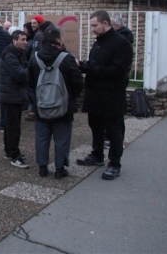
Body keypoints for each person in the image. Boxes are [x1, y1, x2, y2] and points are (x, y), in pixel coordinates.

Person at [77, 10, 133, 181]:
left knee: (113, 131)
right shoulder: (99, 42)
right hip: (94, 93)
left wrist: (90, 69)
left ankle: (114, 164)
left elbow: (118, 70)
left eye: (95, 25)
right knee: (95, 125)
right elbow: (95, 63)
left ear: (106, 24)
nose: (92, 29)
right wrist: (82, 65)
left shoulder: (121, 43)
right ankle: (97, 155)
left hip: (111, 95)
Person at [28, 26, 84, 179]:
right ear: (58, 39)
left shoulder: (35, 58)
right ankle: (60, 168)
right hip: (63, 107)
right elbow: (78, 83)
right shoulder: (66, 58)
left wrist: (37, 100)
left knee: (41, 137)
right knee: (62, 139)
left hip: (41, 106)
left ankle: (42, 167)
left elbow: (30, 82)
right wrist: (70, 97)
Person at [0, 30, 30, 168]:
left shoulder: (17, 53)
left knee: (11, 124)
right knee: (13, 127)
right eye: (22, 39)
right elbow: (20, 75)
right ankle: (14, 155)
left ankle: (9, 150)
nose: (25, 42)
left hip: (13, 93)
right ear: (14, 40)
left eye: (26, 39)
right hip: (11, 94)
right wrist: (31, 70)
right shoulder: (10, 54)